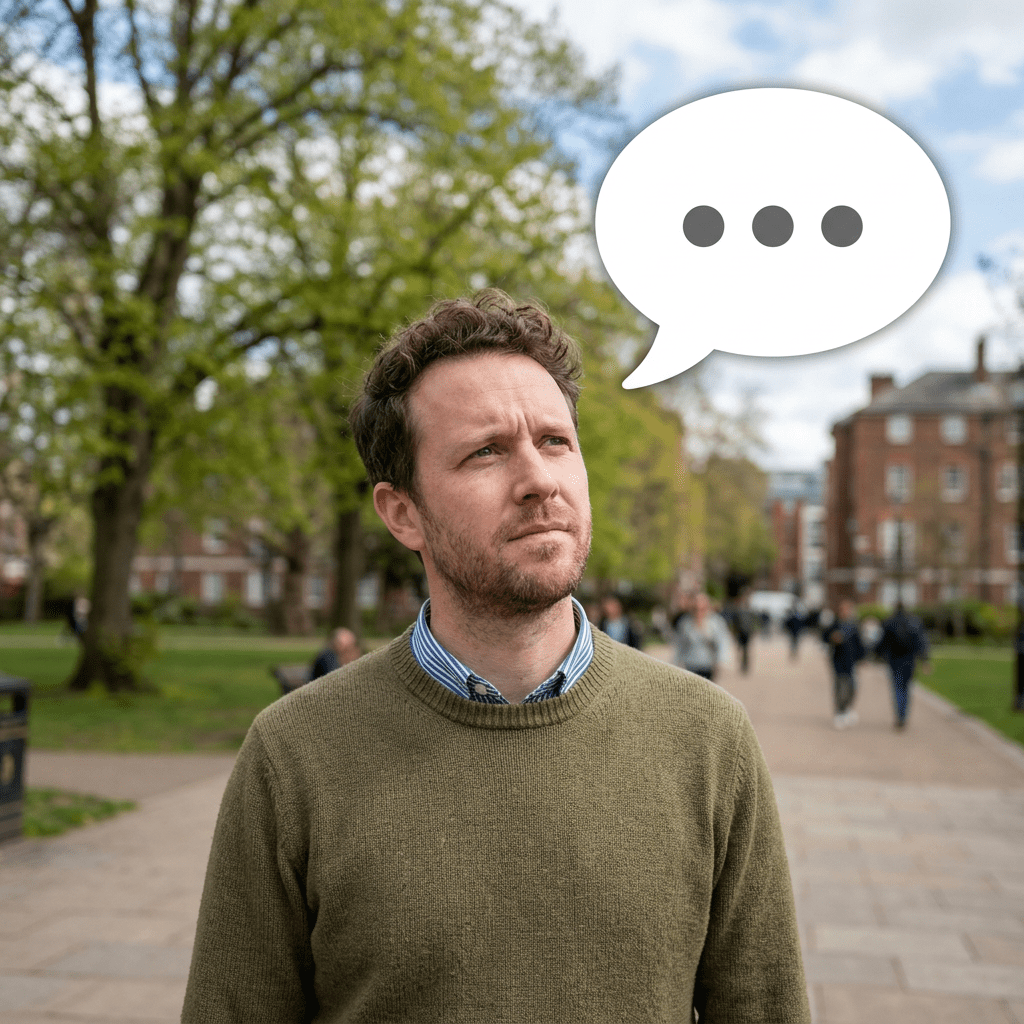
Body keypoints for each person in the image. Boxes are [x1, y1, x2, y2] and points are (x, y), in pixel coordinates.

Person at [182, 291, 810, 1023]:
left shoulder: (708, 738)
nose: (539, 480)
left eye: (554, 441)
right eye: (486, 451)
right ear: (402, 512)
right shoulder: (293, 754)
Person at [875, 602, 931, 730]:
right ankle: (903, 714)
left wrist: (876, 655)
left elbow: (882, 643)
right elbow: (921, 641)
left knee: (897, 688)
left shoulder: (889, 622)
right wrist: (925, 660)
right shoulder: (914, 622)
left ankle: (900, 715)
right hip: (909, 660)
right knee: (906, 688)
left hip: (895, 660)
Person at [672, 591, 732, 682]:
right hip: (691, 664)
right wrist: (676, 662)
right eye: (696, 608)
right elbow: (680, 644)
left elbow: (722, 642)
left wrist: (720, 661)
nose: (698, 611)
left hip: (709, 664)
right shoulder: (685, 623)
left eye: (702, 608)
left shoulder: (716, 622)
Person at [823, 599, 864, 730]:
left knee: (852, 687)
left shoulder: (854, 626)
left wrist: (862, 657)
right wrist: (832, 637)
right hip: (838, 661)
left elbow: (859, 644)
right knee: (840, 686)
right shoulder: (834, 624)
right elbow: (824, 637)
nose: (846, 612)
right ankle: (839, 712)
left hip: (851, 662)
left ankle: (847, 708)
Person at [727, 593, 758, 674]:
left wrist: (753, 631)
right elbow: (735, 623)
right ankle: (743, 664)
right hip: (741, 633)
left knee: (745, 650)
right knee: (742, 650)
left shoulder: (748, 611)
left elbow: (753, 623)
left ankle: (745, 665)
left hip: (746, 633)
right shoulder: (739, 611)